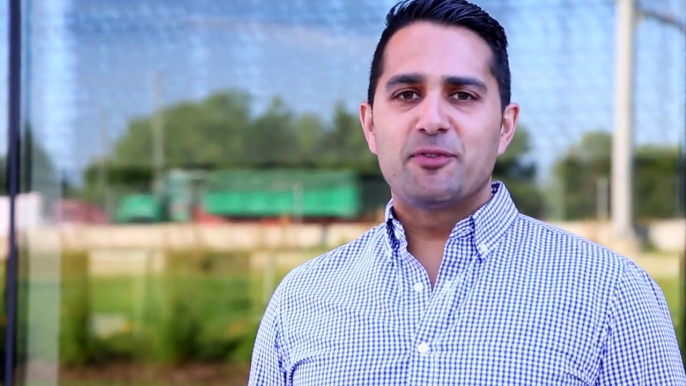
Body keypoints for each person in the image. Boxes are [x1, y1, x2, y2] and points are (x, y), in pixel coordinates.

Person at [248, 0, 686, 384]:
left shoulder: (612, 294)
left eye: (461, 94)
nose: (432, 119)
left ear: (504, 126)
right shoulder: (301, 299)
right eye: (406, 94)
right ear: (369, 124)